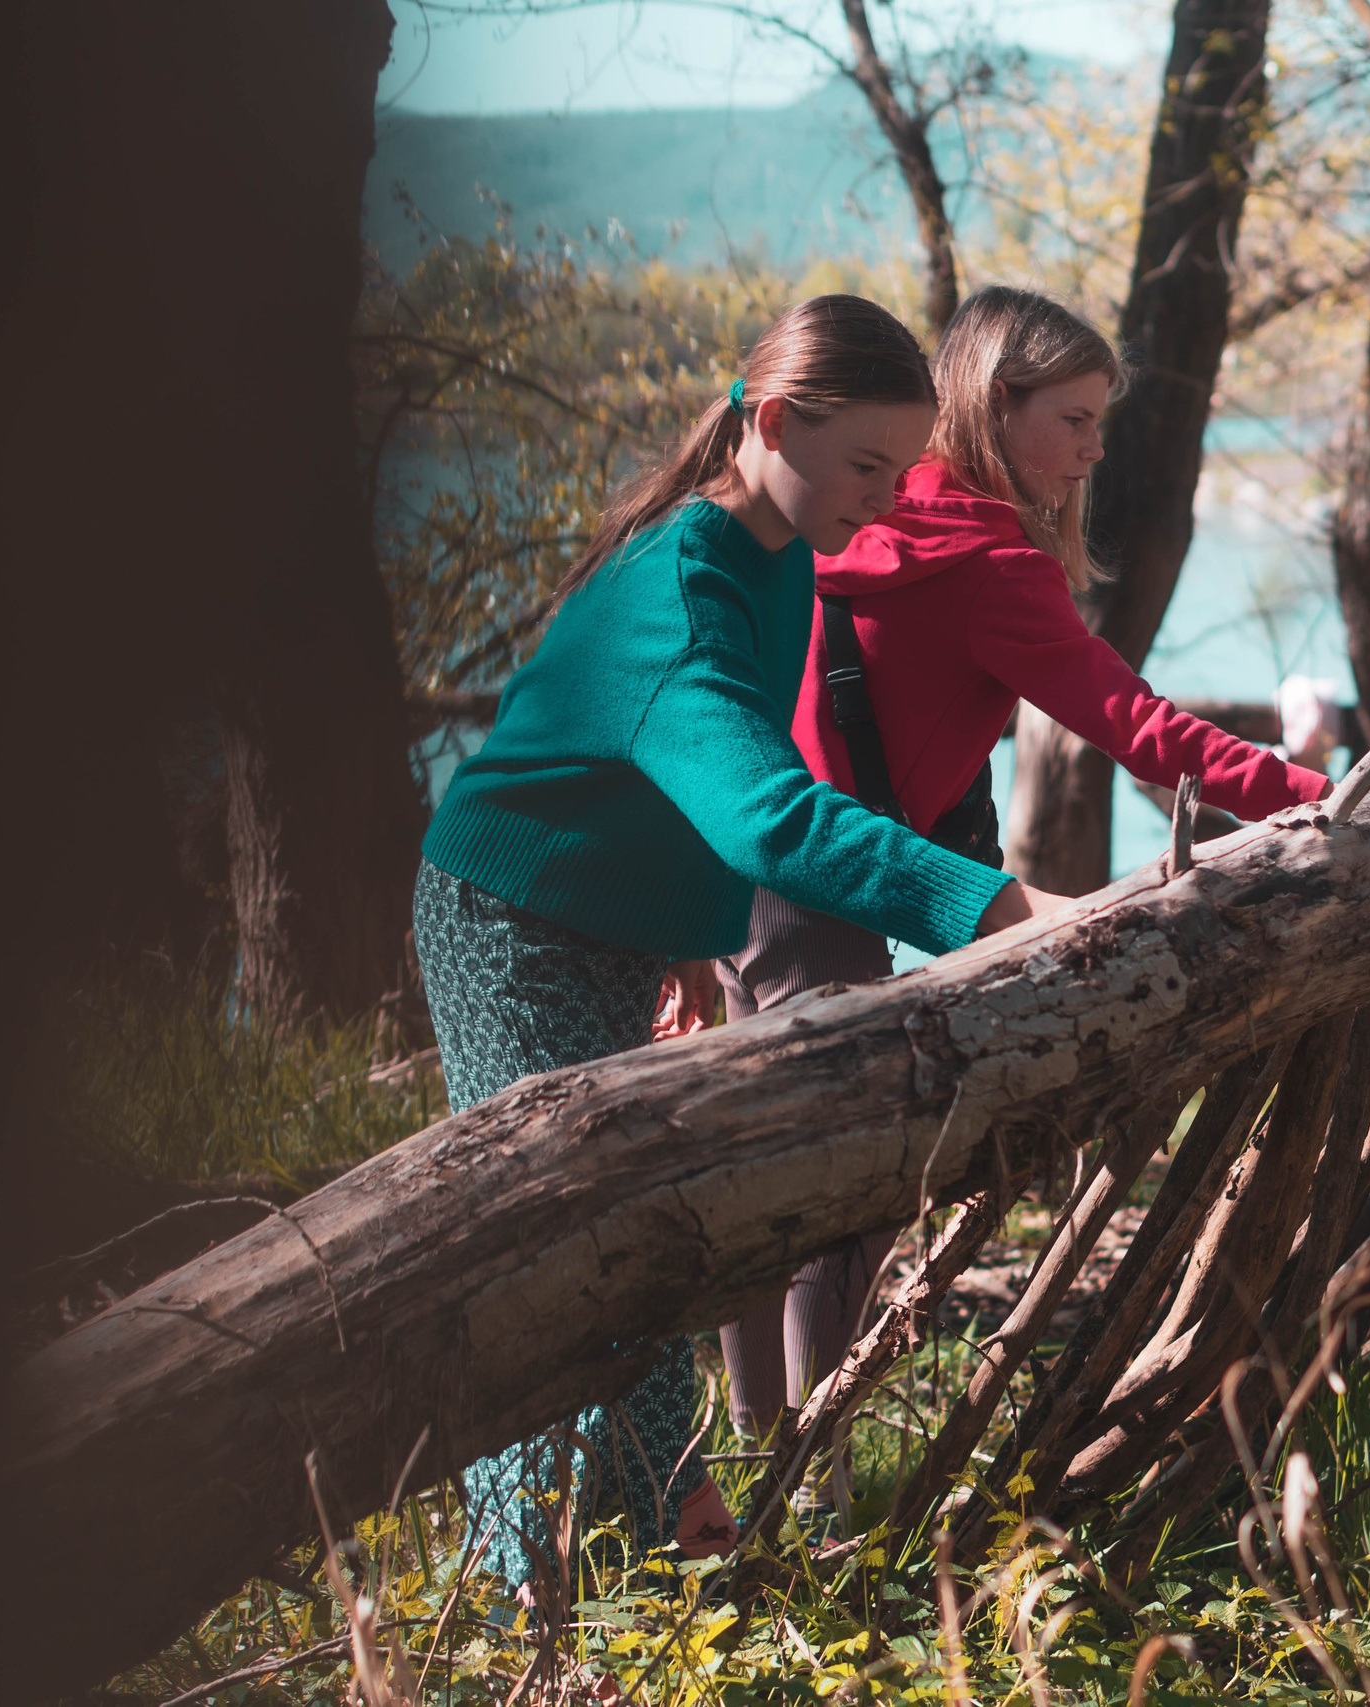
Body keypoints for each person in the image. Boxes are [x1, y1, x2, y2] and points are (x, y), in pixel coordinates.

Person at [412, 293, 1074, 1601]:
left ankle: (666, 1533)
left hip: (607, 935)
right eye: (868, 466)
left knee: (638, 1232)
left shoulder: (777, 554)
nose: (886, 500)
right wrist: (998, 907)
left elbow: (709, 781)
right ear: (773, 424)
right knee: (562, 1251)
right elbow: (769, 811)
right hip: (508, 927)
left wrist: (695, 947)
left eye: (902, 466)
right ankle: (526, 1589)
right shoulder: (686, 583)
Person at [714, 285, 1333, 1473]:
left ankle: (756, 1467)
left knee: (752, 1169)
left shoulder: (874, 523)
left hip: (743, 863)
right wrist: (1324, 799)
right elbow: (1141, 728)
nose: (1098, 448)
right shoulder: (988, 567)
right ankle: (808, 1485)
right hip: (823, 878)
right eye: (1079, 418)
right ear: (1000, 409)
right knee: (824, 1179)